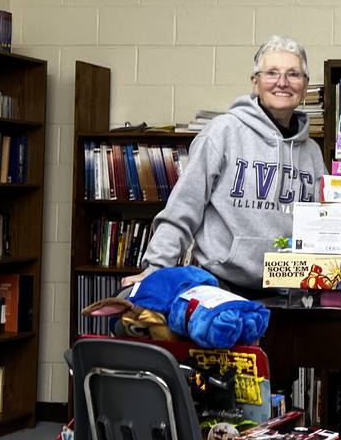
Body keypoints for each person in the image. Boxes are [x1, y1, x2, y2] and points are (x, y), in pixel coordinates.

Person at [133, 35, 325, 293]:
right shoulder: (222, 132)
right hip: (222, 286)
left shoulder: (312, 152)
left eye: (293, 74)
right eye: (272, 73)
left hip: (290, 292)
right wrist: (155, 269)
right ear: (255, 83)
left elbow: (324, 223)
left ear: (304, 87)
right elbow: (184, 206)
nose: (282, 82)